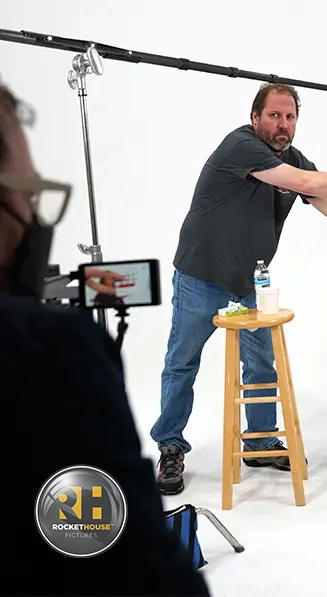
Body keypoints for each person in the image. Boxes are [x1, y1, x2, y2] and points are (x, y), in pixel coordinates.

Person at [151, 82, 327, 495]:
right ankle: (170, 446)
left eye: (290, 116)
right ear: (255, 116)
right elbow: (303, 181)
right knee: (183, 361)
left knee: (260, 365)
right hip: (199, 274)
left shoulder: (292, 158)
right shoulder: (239, 146)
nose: (283, 123)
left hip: (249, 281)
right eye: (274, 115)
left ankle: (260, 441)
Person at [0, 80, 210, 596]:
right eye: (29, 196)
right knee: (181, 363)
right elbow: (135, 561)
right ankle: (172, 445)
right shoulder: (45, 351)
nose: (34, 221)